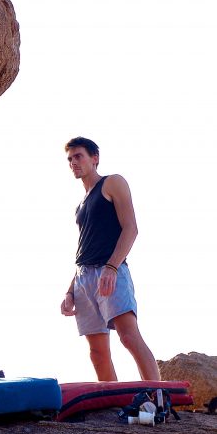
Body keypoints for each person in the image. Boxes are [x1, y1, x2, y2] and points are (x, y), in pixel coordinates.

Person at [60, 137, 160, 381]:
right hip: (84, 277)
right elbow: (84, 248)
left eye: (79, 156)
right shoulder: (80, 205)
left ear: (95, 158)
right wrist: (70, 291)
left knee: (128, 337)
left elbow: (131, 228)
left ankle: (158, 398)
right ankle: (111, 408)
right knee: (97, 352)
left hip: (110, 271)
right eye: (70, 159)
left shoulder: (112, 183)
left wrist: (112, 267)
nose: (73, 162)